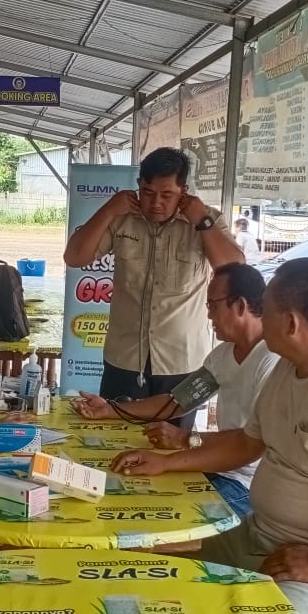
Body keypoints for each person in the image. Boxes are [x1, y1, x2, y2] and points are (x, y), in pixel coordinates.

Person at [112, 259, 308, 614]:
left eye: (266, 310)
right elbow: (246, 443)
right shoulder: (287, 365)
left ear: (291, 323)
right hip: (260, 536)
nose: (260, 317)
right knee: (142, 574)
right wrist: (165, 461)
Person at [72, 263, 278, 517]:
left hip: (246, 485)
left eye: (213, 306)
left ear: (240, 306)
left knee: (145, 514)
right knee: (124, 487)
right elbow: (176, 401)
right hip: (216, 468)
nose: (209, 316)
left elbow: (251, 444)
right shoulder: (223, 355)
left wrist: (183, 441)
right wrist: (110, 409)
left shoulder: (271, 359)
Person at [63, 147, 243, 424]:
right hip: (124, 358)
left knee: (169, 444)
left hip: (181, 362)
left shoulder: (205, 220)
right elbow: (74, 256)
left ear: (184, 191)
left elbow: (235, 269)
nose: (156, 202)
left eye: (167, 194)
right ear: (138, 186)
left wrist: (203, 222)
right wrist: (109, 209)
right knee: (115, 436)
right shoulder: (122, 218)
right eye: (148, 192)